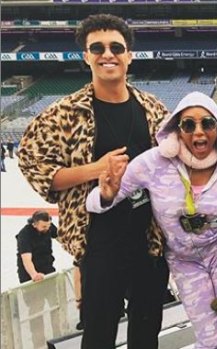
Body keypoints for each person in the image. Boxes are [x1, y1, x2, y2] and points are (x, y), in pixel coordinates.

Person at [18, 14, 170, 348]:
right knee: (98, 335)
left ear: (129, 54)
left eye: (116, 47)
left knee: (147, 334)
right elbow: (31, 163)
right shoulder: (65, 113)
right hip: (98, 242)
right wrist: (95, 169)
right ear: (86, 56)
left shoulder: (153, 109)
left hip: (149, 240)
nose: (108, 54)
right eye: (97, 48)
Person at [87, 91, 217, 349]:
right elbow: (95, 203)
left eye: (207, 123)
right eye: (188, 124)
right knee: (212, 338)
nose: (199, 132)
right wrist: (107, 194)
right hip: (184, 261)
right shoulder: (154, 162)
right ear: (177, 129)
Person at [16, 210, 61, 347]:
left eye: (48, 226)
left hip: (48, 269)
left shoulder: (48, 227)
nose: (47, 229)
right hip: (30, 274)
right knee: (36, 309)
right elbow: (26, 259)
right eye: (43, 227)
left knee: (55, 303)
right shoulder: (25, 235)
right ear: (35, 224)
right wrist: (34, 275)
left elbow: (60, 237)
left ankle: (57, 335)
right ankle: (38, 341)